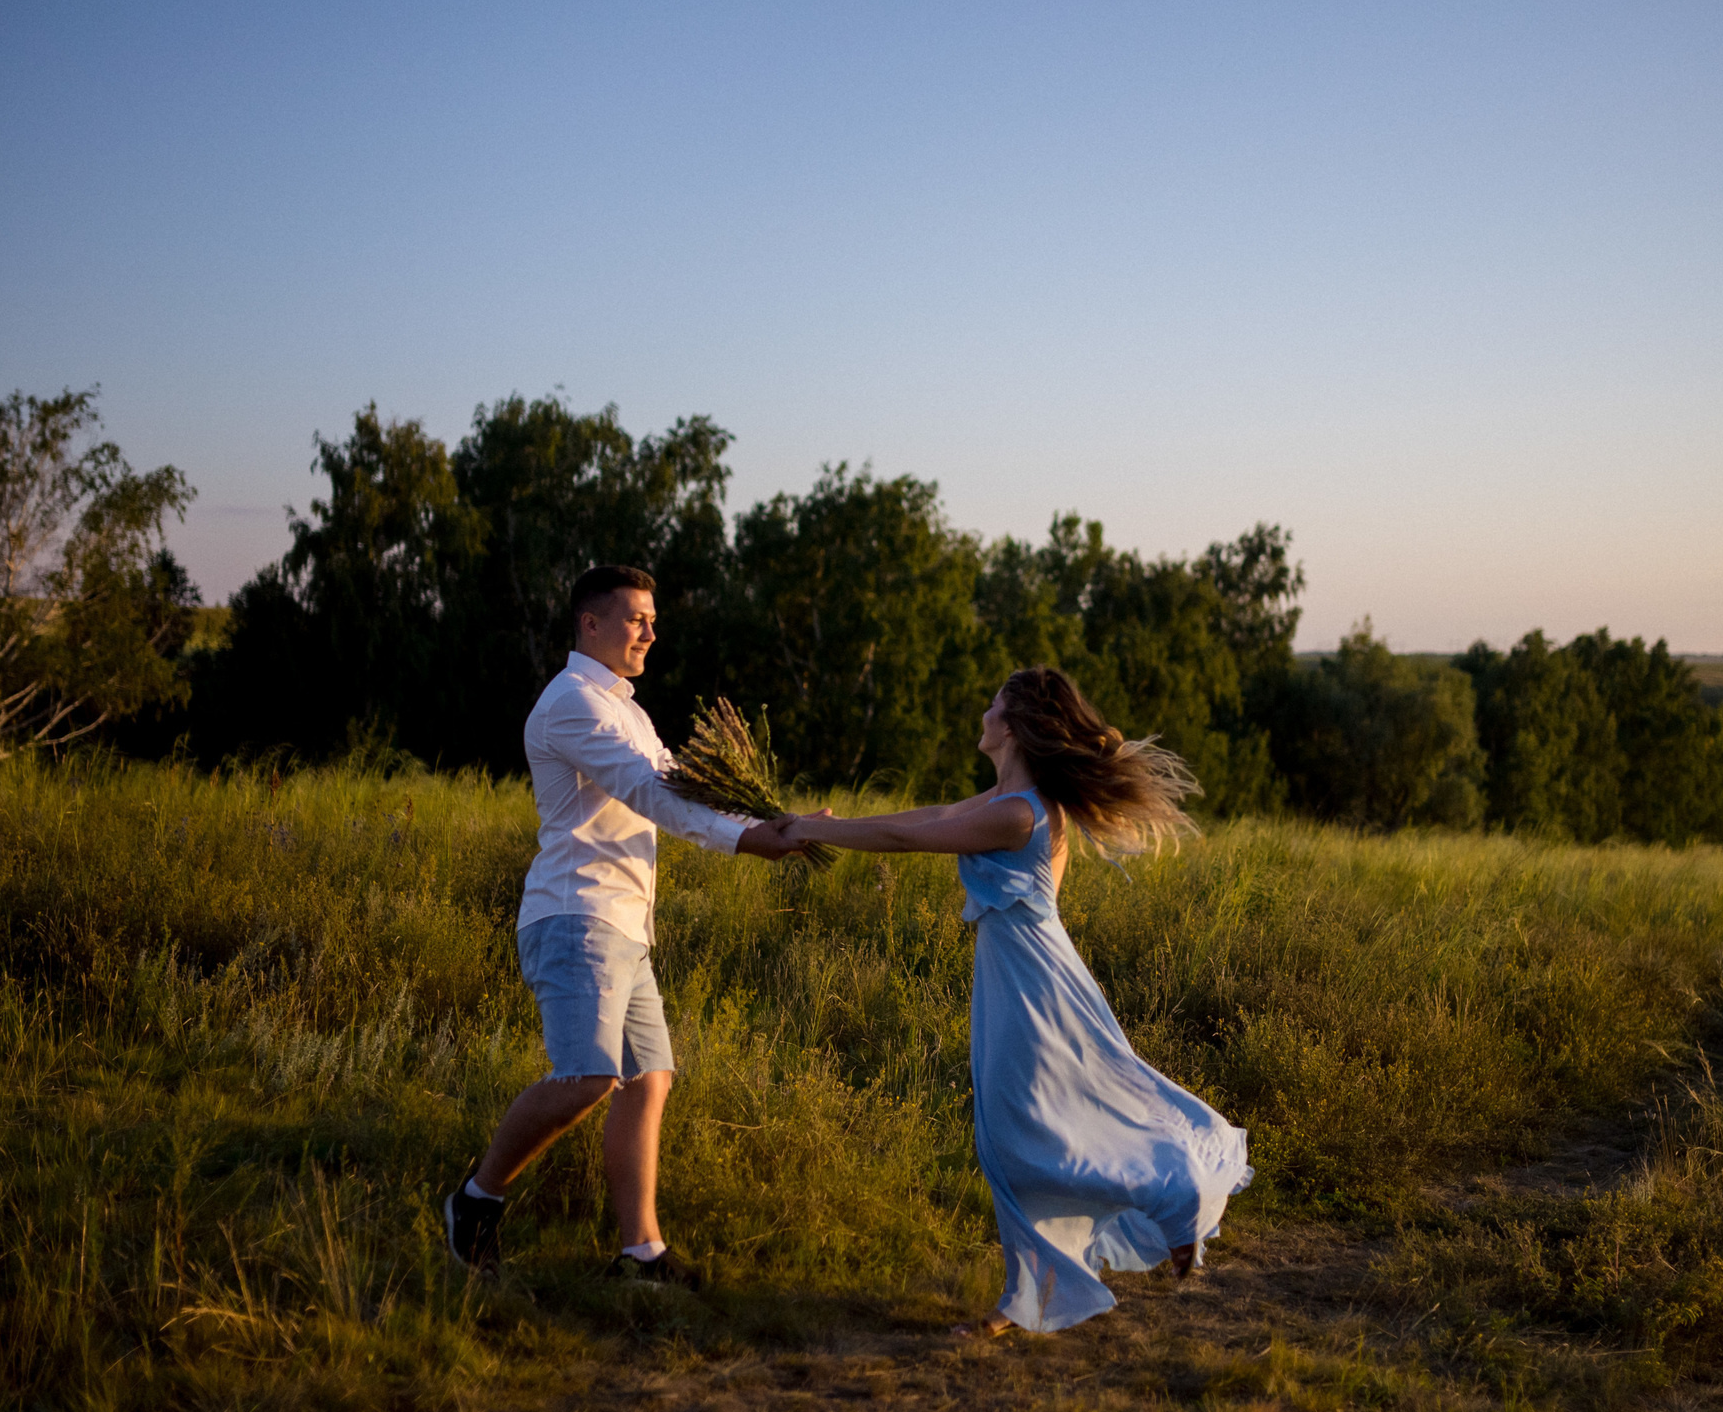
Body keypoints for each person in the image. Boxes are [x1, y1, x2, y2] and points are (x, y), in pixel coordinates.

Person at [782, 667, 1251, 1337]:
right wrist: (822, 823)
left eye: (992, 703)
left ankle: (1170, 1199)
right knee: (1027, 1129)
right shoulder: (1009, 798)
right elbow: (932, 817)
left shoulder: (1019, 812)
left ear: (1013, 724)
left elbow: (909, 839)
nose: (983, 711)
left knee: (1018, 1135)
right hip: (1017, 975)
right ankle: (1035, 1289)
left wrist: (813, 829)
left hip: (1035, 982)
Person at [444, 564, 805, 1283]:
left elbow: (680, 786)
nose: (650, 631)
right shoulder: (570, 704)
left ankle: (642, 1252)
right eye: (637, 618)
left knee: (650, 1079)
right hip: (577, 914)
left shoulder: (629, 710)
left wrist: (774, 821)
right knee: (587, 1077)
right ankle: (475, 1199)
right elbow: (649, 795)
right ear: (592, 623)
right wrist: (754, 842)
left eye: (651, 619)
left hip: (624, 924)